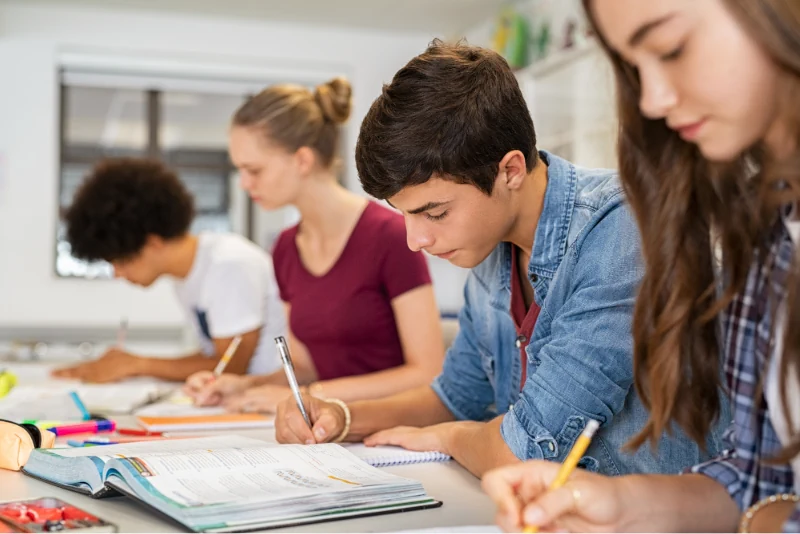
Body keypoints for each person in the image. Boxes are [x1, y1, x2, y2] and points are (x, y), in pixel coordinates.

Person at [274, 41, 725, 479]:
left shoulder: (621, 230)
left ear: (509, 170)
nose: (416, 240)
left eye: (434, 212)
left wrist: (453, 439)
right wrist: (342, 415)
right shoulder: (492, 248)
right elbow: (455, 397)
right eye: (406, 215)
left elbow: (527, 451)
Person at [481, 0, 800, 532]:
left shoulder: (612, 228)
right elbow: (759, 484)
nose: (652, 100)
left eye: (672, 48)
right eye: (632, 67)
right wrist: (622, 504)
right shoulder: (767, 230)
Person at [183, 77, 445, 412]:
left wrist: (310, 396)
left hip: (393, 429)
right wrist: (244, 386)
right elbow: (305, 368)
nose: (245, 183)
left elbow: (426, 372)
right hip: (328, 431)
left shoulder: (391, 235)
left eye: (254, 170)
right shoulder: (285, 249)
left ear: (302, 160)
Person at [54, 158, 285, 383]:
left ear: (153, 243)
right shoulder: (187, 276)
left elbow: (230, 366)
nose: (117, 274)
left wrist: (137, 364)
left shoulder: (228, 264)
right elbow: (214, 357)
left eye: (121, 262)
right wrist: (131, 364)